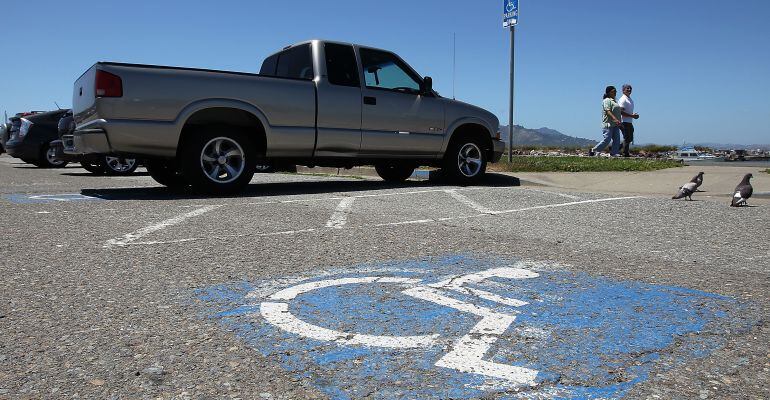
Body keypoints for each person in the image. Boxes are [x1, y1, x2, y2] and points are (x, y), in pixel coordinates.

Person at [589, 86, 622, 156]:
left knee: (617, 140)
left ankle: (614, 153)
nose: (615, 93)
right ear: (609, 92)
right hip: (608, 124)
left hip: (616, 124)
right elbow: (608, 111)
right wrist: (614, 119)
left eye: (616, 91)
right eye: (613, 91)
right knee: (607, 139)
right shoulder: (607, 100)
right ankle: (593, 150)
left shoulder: (614, 101)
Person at [618, 84, 640, 157]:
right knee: (627, 138)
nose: (629, 90)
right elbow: (620, 111)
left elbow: (627, 111)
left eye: (630, 89)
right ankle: (625, 154)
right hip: (623, 121)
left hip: (629, 121)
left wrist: (633, 115)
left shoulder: (629, 99)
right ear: (623, 90)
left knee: (630, 138)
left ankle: (615, 148)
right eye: (627, 89)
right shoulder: (623, 99)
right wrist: (632, 116)